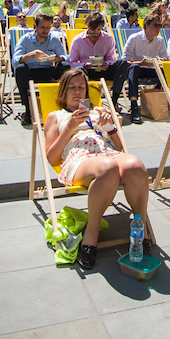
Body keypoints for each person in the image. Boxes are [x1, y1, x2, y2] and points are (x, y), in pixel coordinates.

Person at [43, 68, 149, 269]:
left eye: (81, 87)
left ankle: (139, 227)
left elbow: (118, 147)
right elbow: (51, 157)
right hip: (79, 159)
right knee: (107, 168)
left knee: (136, 165)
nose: (77, 91)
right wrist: (69, 127)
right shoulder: (55, 116)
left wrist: (109, 126)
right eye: (72, 87)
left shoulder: (98, 111)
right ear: (63, 92)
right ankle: (91, 232)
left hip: (107, 153)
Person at [13, 13, 70, 126]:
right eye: (42, 27)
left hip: (47, 70)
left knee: (65, 66)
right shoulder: (26, 39)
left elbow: (66, 57)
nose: (45, 30)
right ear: (35, 26)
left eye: (48, 27)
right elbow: (15, 61)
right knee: (20, 69)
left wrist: (57, 58)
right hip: (31, 72)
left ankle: (63, 106)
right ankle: (28, 110)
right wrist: (31, 55)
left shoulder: (53, 38)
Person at [67, 12, 129, 99]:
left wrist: (107, 64)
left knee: (122, 63)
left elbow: (111, 58)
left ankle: (114, 98)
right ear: (88, 26)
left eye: (98, 29)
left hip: (103, 70)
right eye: (93, 30)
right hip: (86, 72)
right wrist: (84, 65)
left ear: (102, 26)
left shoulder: (108, 38)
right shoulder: (78, 40)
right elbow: (72, 62)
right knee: (79, 70)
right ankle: (86, 99)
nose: (95, 32)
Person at [122, 12, 168, 123]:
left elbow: (165, 58)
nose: (158, 28)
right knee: (134, 68)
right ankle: (134, 108)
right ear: (146, 25)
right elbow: (123, 62)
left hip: (152, 68)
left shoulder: (160, 40)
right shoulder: (134, 39)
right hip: (137, 69)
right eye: (155, 25)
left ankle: (156, 99)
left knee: (167, 70)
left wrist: (163, 61)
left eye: (160, 26)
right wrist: (140, 63)